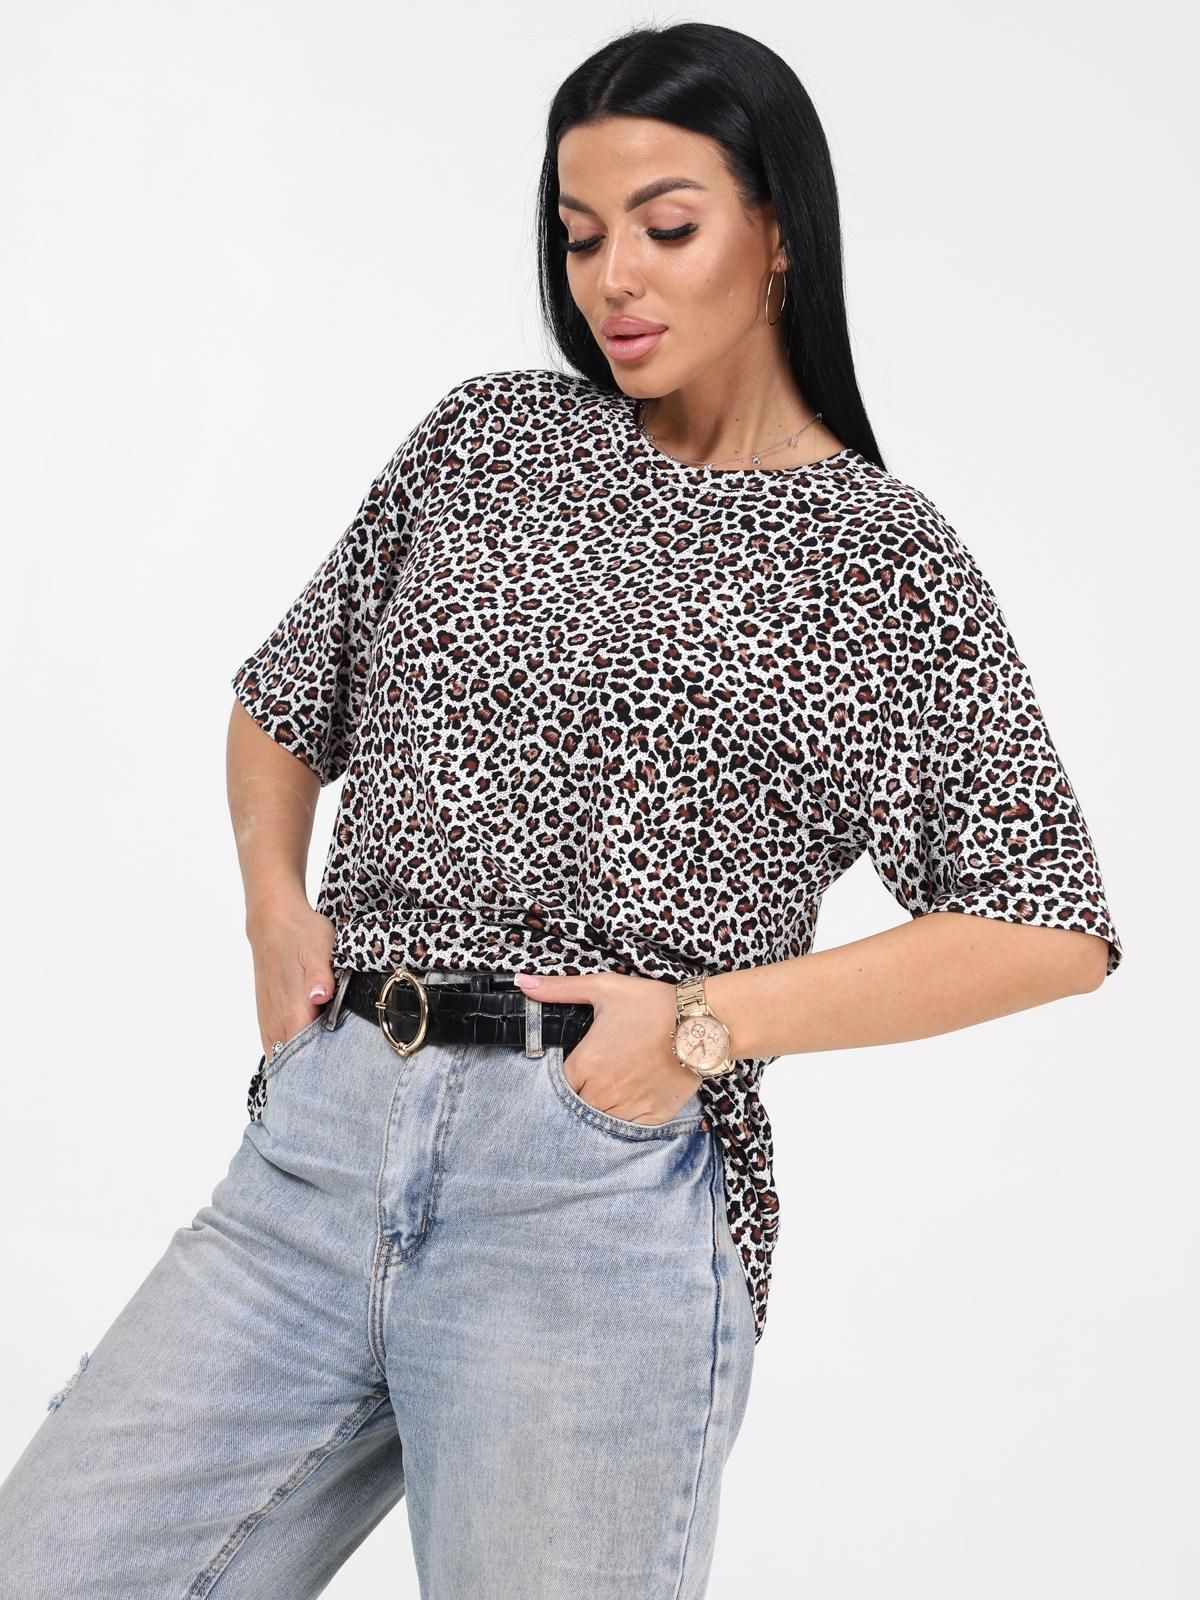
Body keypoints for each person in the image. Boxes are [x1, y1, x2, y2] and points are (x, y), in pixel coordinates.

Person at [0, 20, 1123, 1599]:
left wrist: (703, 1026)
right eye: (583, 236)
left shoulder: (879, 561)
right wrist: (272, 903)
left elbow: (1045, 925)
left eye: (667, 227)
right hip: (321, 1148)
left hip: (589, 1198)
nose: (615, 280)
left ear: (778, 236)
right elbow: (285, 699)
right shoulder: (490, 440)